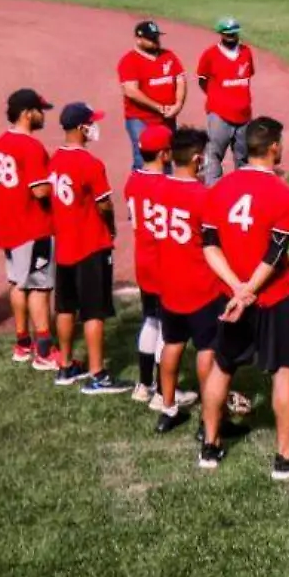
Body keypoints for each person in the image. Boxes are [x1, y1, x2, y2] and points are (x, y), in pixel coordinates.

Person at [199, 116, 289, 479]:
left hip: (230, 296)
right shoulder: (283, 193)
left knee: (223, 366)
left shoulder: (219, 188)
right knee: (282, 371)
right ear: (272, 148)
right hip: (273, 298)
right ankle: (285, 457)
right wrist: (249, 290)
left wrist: (235, 289)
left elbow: (209, 245)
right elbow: (275, 252)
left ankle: (210, 444)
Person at [47, 102, 128, 393]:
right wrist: (112, 227)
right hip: (91, 245)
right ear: (82, 128)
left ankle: (65, 366)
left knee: (66, 307)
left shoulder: (54, 160)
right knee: (94, 311)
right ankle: (98, 374)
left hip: (66, 245)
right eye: (91, 122)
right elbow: (103, 204)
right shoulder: (90, 164)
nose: (95, 127)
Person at [148, 126, 211, 434]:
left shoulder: (157, 190)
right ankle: (208, 417)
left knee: (172, 344)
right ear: (197, 159)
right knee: (206, 349)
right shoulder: (202, 196)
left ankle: (168, 407)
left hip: (168, 283)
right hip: (200, 285)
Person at [0, 88, 56, 367]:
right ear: (28, 113)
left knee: (18, 284)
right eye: (40, 110)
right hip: (33, 227)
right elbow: (41, 191)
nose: (43, 115)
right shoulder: (30, 147)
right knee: (40, 288)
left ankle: (22, 344)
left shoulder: (1, 141)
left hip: (9, 226)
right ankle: (44, 351)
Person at [124, 124, 174, 402]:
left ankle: (143, 385)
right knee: (168, 327)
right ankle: (164, 392)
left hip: (142, 259)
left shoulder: (133, 181)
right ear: (165, 154)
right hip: (163, 262)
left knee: (150, 320)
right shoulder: (165, 186)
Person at [117, 20, 185, 169]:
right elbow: (131, 91)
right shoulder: (129, 61)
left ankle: (165, 190)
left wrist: (178, 104)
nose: (155, 41)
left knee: (166, 157)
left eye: (156, 37)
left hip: (167, 119)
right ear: (138, 39)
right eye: (151, 38)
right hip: (140, 120)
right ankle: (139, 191)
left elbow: (180, 79)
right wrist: (159, 107)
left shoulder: (169, 56)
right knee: (143, 158)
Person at [197, 17, 255, 185]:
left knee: (243, 156)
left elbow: (246, 77)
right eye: (228, 34)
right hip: (219, 115)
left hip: (244, 115)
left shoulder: (246, 52)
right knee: (214, 155)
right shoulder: (210, 54)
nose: (231, 37)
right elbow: (203, 80)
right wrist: (216, 97)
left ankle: (242, 190)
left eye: (234, 34)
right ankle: (213, 192)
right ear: (221, 34)